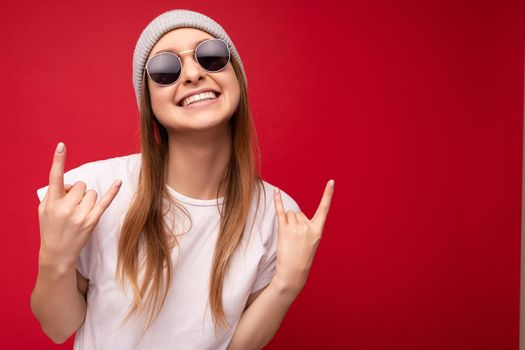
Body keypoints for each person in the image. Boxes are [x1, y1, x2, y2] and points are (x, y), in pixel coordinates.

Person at [30, 9, 335, 350]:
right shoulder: (97, 191)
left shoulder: (275, 214)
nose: (192, 73)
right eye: (164, 69)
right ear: (149, 103)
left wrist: (287, 284)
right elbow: (59, 328)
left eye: (212, 57)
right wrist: (54, 257)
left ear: (236, 78)